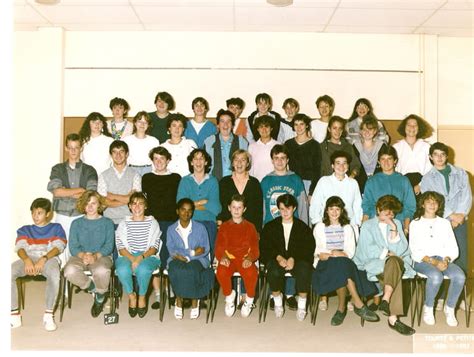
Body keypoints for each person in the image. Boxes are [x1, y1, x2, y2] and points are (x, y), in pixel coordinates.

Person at [353, 195, 416, 336]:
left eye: (392, 213)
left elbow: (401, 250)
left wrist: (393, 227)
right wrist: (388, 252)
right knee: (395, 267)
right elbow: (367, 250)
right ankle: (392, 316)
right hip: (374, 264)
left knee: (394, 265)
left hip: (394, 264)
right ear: (378, 209)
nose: (389, 215)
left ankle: (387, 303)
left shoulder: (397, 224)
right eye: (386, 212)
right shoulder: (367, 225)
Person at [312, 196, 379, 326]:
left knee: (341, 265)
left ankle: (341, 309)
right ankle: (358, 304)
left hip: (343, 261)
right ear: (326, 210)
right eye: (331, 209)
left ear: (342, 211)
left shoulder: (348, 228)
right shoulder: (320, 227)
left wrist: (335, 254)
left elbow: (350, 252)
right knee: (341, 264)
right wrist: (335, 253)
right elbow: (320, 251)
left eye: (338, 209)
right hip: (325, 264)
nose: (334, 212)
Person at [409, 191, 465, 327]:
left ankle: (450, 308)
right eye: (428, 201)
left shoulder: (444, 223)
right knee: (435, 276)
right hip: (422, 261)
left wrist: (446, 260)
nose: (432, 204)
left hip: (443, 259)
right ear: (422, 204)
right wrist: (433, 262)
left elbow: (452, 246)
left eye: (435, 202)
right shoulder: (415, 224)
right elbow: (415, 250)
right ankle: (428, 307)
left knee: (460, 276)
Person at [11, 198, 67, 331]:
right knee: (8, 272)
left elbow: (59, 247)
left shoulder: (56, 228)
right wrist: (27, 260)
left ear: (48, 214)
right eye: (34, 213)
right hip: (29, 257)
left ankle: (48, 315)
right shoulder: (24, 229)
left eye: (39, 213)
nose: (35, 216)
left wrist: (44, 258)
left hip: (49, 258)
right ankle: (14, 315)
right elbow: (20, 247)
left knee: (54, 274)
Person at [420, 142, 472, 277]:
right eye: (436, 154)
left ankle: (461, 296)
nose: (439, 158)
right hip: (440, 221)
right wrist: (450, 216)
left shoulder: (461, 173)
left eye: (442, 154)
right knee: (442, 257)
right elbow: (431, 201)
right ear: (431, 157)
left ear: (447, 156)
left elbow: (467, 196)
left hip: (460, 221)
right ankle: (442, 296)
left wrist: (460, 216)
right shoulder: (426, 179)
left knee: (461, 256)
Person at [260, 194, 315, 321]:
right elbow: (264, 248)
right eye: (282, 209)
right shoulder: (270, 227)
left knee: (304, 270)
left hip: (297, 259)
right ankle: (278, 301)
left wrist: (293, 258)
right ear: (278, 209)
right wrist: (278, 257)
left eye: (288, 208)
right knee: (273, 271)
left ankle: (302, 306)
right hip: (277, 259)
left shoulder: (303, 228)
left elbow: (308, 249)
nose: (285, 212)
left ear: (294, 208)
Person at [47, 133, 98, 264]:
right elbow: (57, 191)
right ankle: (63, 284)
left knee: (81, 250)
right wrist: (80, 190)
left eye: (76, 147)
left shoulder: (89, 170)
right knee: (60, 250)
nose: (73, 151)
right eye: (70, 147)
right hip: (62, 215)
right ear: (66, 148)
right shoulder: (57, 169)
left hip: (81, 215)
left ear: (81, 148)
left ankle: (81, 282)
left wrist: (67, 192)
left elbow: (90, 194)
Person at [63, 190, 115, 318]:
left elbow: (109, 246)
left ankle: (100, 297)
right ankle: (95, 289)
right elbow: (73, 246)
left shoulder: (107, 223)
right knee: (69, 271)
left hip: (102, 256)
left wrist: (95, 256)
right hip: (80, 256)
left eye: (93, 203)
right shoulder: (76, 223)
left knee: (102, 271)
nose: (90, 207)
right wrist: (83, 256)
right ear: (83, 205)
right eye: (87, 203)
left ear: (99, 205)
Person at [142, 146, 181, 309]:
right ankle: (158, 294)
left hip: (171, 223)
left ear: (168, 160)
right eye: (155, 159)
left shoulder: (176, 178)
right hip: (151, 223)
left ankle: (171, 290)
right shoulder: (147, 177)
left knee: (168, 256)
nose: (159, 162)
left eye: (162, 159)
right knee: (154, 257)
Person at [115, 192, 162, 318]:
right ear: (129, 206)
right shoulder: (123, 223)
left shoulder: (153, 223)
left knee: (143, 269)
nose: (137, 207)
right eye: (134, 204)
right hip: (127, 255)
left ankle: (142, 296)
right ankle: (132, 296)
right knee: (122, 269)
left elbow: (154, 247)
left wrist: (140, 258)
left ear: (146, 206)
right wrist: (132, 259)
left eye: (140, 204)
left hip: (148, 256)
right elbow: (121, 247)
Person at [166, 198, 215, 320]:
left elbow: (205, 249)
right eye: (183, 210)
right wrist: (192, 251)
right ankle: (179, 299)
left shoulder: (200, 228)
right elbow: (171, 249)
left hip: (198, 259)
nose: (186, 213)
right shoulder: (171, 229)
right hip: (177, 258)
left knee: (192, 270)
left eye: (189, 210)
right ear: (177, 211)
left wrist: (190, 256)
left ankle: (195, 300)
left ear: (192, 212)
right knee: (176, 270)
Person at [215, 194, 259, 318]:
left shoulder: (250, 227)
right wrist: (222, 257)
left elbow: (255, 248)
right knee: (221, 272)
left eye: (239, 207)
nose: (236, 210)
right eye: (234, 207)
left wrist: (250, 258)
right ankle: (229, 297)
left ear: (244, 209)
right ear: (229, 208)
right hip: (229, 257)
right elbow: (219, 246)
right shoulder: (224, 226)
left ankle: (249, 300)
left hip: (244, 258)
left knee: (252, 273)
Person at [362, 145, 416, 235]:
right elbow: (367, 207)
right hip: (376, 226)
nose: (386, 162)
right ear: (379, 161)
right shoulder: (372, 181)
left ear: (395, 161)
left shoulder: (404, 180)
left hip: (398, 225)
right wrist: (364, 230)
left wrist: (406, 229)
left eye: (389, 159)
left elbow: (409, 208)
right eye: (383, 159)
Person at [176, 149, 221, 257]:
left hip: (208, 222)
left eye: (201, 159)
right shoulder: (185, 181)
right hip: (189, 221)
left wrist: (191, 205)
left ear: (206, 162)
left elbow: (216, 208)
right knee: (190, 255)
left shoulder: (213, 181)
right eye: (195, 159)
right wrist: (204, 202)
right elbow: (180, 205)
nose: (198, 162)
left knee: (206, 256)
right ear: (191, 162)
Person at [310, 150, 362, 227]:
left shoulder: (353, 183)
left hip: (349, 226)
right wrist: (319, 224)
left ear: (348, 166)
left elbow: (358, 206)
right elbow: (315, 204)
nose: (341, 166)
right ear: (332, 166)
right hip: (327, 225)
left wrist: (356, 224)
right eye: (338, 163)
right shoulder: (324, 181)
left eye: (344, 163)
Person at [261, 144, 308, 225]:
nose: (280, 161)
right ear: (272, 160)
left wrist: (304, 228)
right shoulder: (265, 181)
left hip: (293, 227)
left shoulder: (296, 180)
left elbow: (303, 209)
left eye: (283, 158)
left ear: (287, 160)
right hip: (271, 227)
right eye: (276, 158)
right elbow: (262, 209)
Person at [97, 140, 141, 227]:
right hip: (109, 222)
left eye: (121, 152)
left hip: (130, 221)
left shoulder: (135, 175)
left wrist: (111, 196)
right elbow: (102, 202)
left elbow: (135, 201)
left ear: (127, 154)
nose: (118, 155)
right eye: (115, 152)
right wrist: (127, 199)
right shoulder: (103, 175)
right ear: (111, 155)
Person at [218, 149, 263, 231]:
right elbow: (220, 206)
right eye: (236, 160)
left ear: (247, 163)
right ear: (232, 163)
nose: (239, 163)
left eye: (243, 160)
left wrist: (258, 231)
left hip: (250, 229)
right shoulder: (224, 182)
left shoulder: (254, 183)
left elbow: (259, 210)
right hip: (228, 228)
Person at [393, 114, 433, 194]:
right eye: (409, 125)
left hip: (423, 186)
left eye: (415, 125)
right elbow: (393, 170)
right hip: (402, 186)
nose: (412, 127)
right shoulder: (396, 147)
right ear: (404, 127)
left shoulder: (426, 147)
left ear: (419, 128)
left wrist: (420, 185)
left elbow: (431, 170)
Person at [284, 113, 321, 199]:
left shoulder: (315, 145)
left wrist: (311, 192)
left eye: (301, 124)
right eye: (296, 124)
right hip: (291, 181)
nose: (299, 127)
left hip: (308, 183)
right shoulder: (288, 144)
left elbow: (317, 170)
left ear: (307, 125)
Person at [204, 109, 248, 181]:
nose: (225, 124)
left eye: (228, 121)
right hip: (215, 183)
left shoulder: (242, 141)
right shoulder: (209, 141)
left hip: (236, 183)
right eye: (222, 121)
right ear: (218, 124)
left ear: (233, 125)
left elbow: (246, 164)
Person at [352, 115, 388, 193]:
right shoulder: (355, 146)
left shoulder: (381, 146)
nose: (367, 132)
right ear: (360, 131)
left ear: (375, 131)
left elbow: (385, 166)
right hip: (360, 183)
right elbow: (354, 166)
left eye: (370, 129)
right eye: (364, 129)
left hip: (379, 183)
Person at [123, 111, 160, 176]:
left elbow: (156, 159)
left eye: (145, 122)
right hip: (131, 169)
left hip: (148, 169)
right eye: (140, 121)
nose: (142, 124)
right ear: (135, 123)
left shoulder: (154, 141)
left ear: (148, 125)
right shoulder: (126, 140)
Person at [248, 115, 280, 182]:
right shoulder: (252, 147)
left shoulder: (278, 145)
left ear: (271, 128)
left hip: (275, 182)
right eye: (261, 127)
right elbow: (250, 169)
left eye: (267, 126)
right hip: (257, 183)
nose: (264, 129)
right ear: (257, 129)